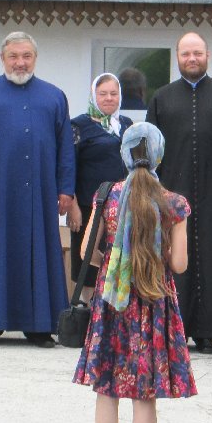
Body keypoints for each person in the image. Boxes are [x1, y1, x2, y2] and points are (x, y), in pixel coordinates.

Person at [73, 122, 194, 423]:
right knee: (144, 395)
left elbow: (86, 253)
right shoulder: (173, 203)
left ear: (123, 154)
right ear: (159, 155)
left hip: (111, 302)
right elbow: (179, 264)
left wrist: (115, 260)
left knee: (106, 389)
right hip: (153, 305)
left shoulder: (106, 195)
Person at [0, 31, 76, 346]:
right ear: (3, 58)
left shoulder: (54, 96)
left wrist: (66, 188)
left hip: (40, 191)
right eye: (13, 56)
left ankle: (39, 326)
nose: (20, 63)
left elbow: (65, 147)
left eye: (26, 56)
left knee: (40, 252)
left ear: (35, 59)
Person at [147, 32, 212, 353]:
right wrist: (152, 193)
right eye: (186, 54)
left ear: (207, 55)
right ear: (178, 57)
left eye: (197, 53)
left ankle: (208, 331)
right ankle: (174, 330)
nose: (192, 59)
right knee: (173, 261)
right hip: (172, 192)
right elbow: (149, 151)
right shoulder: (162, 98)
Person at [67, 73, 133, 303]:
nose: (108, 98)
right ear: (94, 96)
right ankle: (86, 310)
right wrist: (72, 206)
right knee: (86, 261)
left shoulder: (126, 125)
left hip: (120, 207)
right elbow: (68, 167)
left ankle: (111, 311)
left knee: (116, 258)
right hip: (88, 206)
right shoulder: (78, 125)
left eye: (113, 93)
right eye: (103, 94)